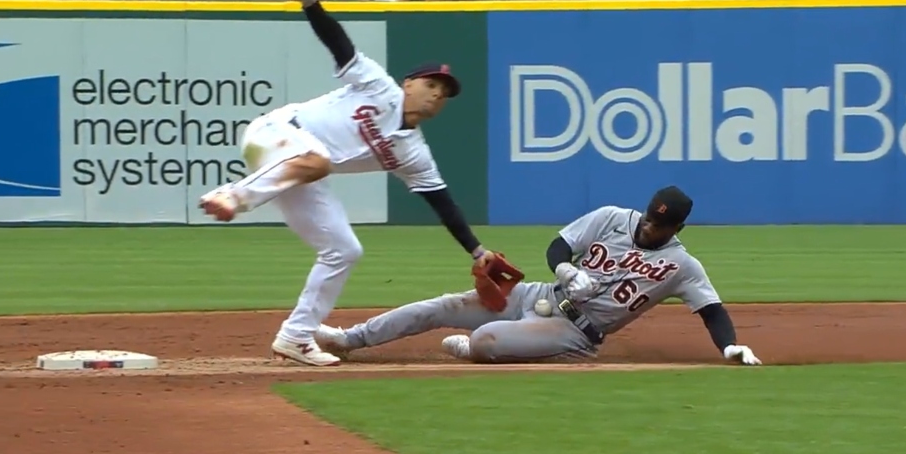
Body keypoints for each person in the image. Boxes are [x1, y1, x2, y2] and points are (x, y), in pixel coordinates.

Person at [198, 0, 501, 367]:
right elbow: (338, 44)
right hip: (276, 133)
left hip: (298, 171)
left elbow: (441, 202)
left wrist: (478, 251)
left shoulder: (413, 154)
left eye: (444, 93)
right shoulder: (379, 87)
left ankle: (296, 336)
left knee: (344, 250)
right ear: (408, 84)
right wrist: (310, 3)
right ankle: (233, 196)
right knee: (318, 160)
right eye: (431, 84)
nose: (437, 94)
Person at [314, 185, 763, 366]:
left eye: (660, 225)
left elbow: (711, 309)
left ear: (676, 228)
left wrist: (729, 345)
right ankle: (350, 340)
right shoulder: (611, 217)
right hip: (541, 294)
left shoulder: (681, 266)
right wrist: (566, 268)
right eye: (649, 217)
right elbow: (559, 245)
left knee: (487, 339)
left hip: (576, 330)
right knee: (443, 306)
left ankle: (482, 349)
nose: (650, 226)